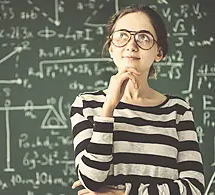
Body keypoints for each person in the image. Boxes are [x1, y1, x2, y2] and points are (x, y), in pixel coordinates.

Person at [70, 4, 205, 195]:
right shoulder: (86, 105)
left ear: (159, 52)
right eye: (122, 36)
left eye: (143, 38)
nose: (131, 46)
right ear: (110, 47)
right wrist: (108, 109)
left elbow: (193, 188)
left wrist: (125, 193)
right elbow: (91, 179)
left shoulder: (178, 110)